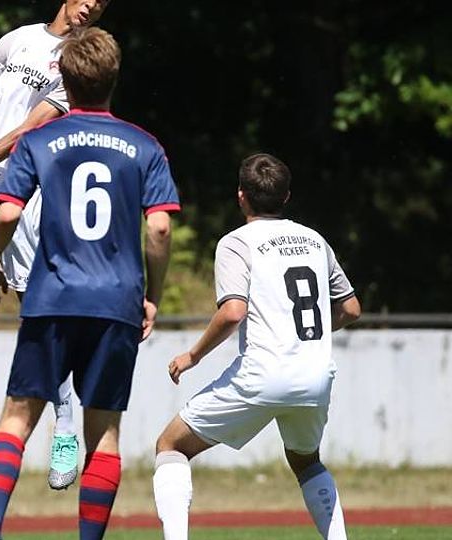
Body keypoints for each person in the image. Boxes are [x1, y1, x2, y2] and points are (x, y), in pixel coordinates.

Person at [0, 28, 180, 540]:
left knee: (16, 420)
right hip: (116, 302)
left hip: (52, 296)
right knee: (104, 432)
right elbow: (159, 228)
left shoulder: (38, 140)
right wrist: (152, 295)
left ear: (64, 81)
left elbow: (6, 213)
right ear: (114, 77)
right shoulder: (145, 145)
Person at [0, 0, 112, 491]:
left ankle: (66, 430)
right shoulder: (18, 38)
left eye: (101, 3)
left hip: (20, 187)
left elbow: (28, 131)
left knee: (40, 312)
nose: (92, 6)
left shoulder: (79, 62)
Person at [151, 153, 362, 540]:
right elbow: (350, 308)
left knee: (171, 445)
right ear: (286, 197)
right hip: (315, 376)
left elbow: (233, 312)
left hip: (262, 374)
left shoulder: (237, 243)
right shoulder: (315, 240)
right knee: (306, 462)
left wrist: (192, 355)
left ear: (241, 196)